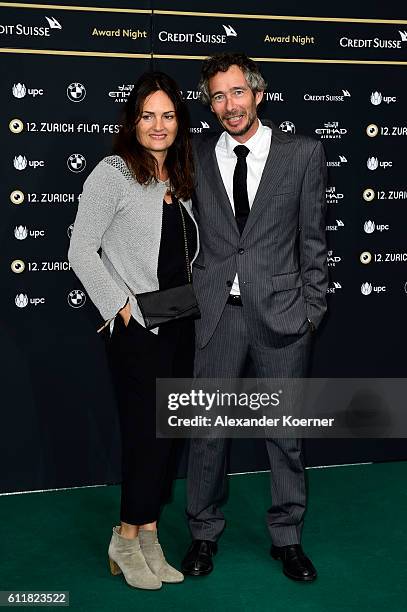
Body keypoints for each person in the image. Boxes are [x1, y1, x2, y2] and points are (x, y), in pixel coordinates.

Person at [181, 53, 328, 582]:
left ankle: (288, 538)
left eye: (237, 92)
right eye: (218, 96)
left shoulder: (303, 154)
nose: (229, 105)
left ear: (258, 94)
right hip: (216, 315)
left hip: (284, 316)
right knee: (207, 433)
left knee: (285, 434)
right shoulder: (193, 153)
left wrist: (312, 309)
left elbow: (313, 239)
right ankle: (202, 534)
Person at [68, 71, 198, 590]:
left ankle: (149, 535)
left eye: (168, 115)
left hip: (180, 323)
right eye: (149, 115)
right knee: (144, 435)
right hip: (138, 329)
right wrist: (122, 308)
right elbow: (80, 250)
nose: (158, 125)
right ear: (133, 120)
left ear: (178, 123)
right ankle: (124, 538)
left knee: (167, 437)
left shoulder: (181, 177)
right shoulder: (113, 173)